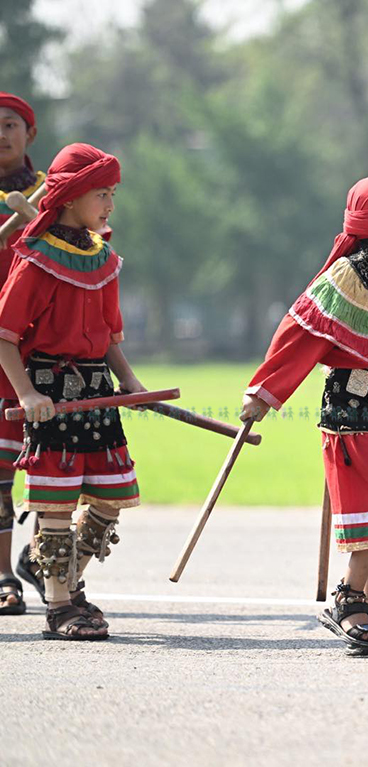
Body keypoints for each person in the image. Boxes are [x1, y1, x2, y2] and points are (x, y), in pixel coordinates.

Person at [242, 173, 368, 656]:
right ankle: (348, 603)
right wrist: (265, 392)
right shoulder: (346, 275)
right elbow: (301, 333)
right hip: (352, 414)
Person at [0, 143, 145, 640]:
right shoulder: (34, 259)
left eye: (111, 194)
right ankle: (61, 605)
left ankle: (58, 575)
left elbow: (106, 337)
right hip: (50, 389)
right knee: (57, 503)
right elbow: (4, 336)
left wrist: (130, 382)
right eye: (102, 194)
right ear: (70, 197)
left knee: (112, 496)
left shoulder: (103, 258)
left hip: (97, 388)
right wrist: (26, 394)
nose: (110, 205)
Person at [0, 91, 44, 615]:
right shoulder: (37, 203)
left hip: (44, 350)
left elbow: (92, 245)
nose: (2, 134)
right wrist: (21, 220)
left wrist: (35, 214)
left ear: (29, 134)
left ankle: (42, 556)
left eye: (10, 124)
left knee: (61, 463)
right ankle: (2, 573)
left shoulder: (55, 192)